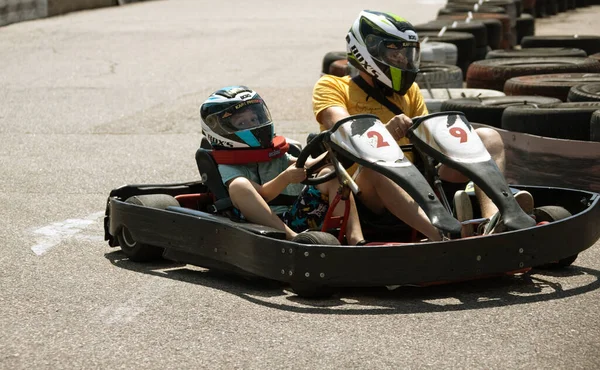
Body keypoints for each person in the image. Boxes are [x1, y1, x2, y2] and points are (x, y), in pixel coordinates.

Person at [312, 10, 533, 240]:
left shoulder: (410, 93)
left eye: (406, 53)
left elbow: (429, 143)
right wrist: (386, 132)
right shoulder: (332, 86)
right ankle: (443, 237)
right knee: (376, 167)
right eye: (394, 53)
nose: (402, 60)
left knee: (488, 136)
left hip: (422, 186)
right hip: (367, 194)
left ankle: (492, 223)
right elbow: (343, 129)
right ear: (368, 50)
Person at [200, 86, 365, 245]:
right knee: (239, 186)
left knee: (330, 173)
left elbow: (308, 165)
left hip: (294, 214)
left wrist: (332, 154)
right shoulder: (227, 164)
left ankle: (355, 238)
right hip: (260, 225)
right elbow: (263, 195)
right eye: (242, 123)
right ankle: (293, 240)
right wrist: (286, 177)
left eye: (254, 119)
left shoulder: (271, 153)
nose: (252, 125)